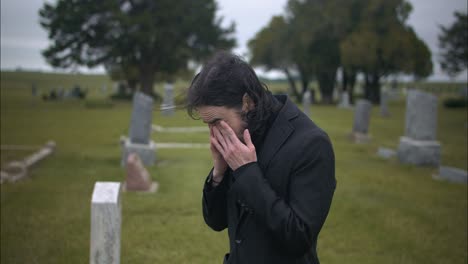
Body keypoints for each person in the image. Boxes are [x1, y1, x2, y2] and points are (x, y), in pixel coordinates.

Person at [187, 51, 336, 264]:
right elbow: (216, 221)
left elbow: (298, 238)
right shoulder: (242, 133)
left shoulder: (312, 143)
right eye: (207, 124)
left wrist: (247, 172)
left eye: (217, 122)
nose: (214, 132)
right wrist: (219, 173)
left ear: (247, 103)